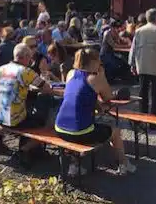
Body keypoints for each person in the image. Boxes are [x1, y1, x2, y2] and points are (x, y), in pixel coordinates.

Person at [55, 48, 136, 176]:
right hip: (81, 131)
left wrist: (96, 104)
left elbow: (79, 95)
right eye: (99, 61)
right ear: (93, 62)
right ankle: (123, 164)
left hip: (59, 128)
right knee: (115, 131)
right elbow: (108, 97)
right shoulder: (95, 78)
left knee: (78, 127)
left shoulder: (70, 73)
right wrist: (102, 76)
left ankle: (74, 165)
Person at [0, 43, 53, 161]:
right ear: (25, 56)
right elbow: (47, 88)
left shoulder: (0, 69)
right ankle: (26, 148)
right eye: (29, 58)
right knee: (44, 121)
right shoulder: (25, 71)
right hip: (15, 120)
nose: (30, 61)